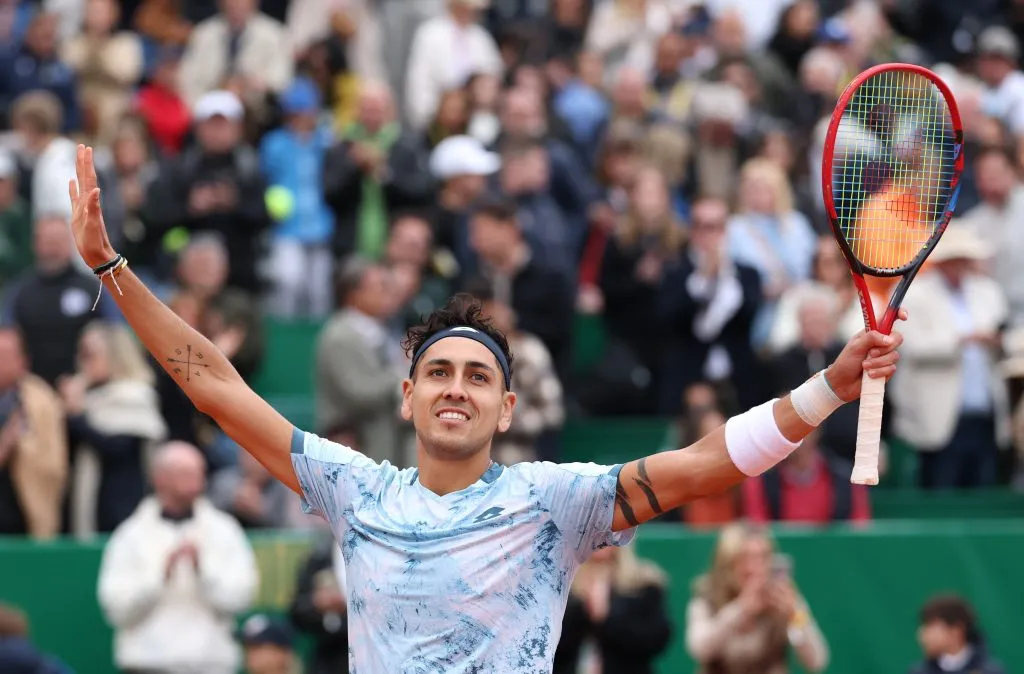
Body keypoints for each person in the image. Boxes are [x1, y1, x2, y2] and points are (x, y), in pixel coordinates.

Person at [69, 144, 904, 673]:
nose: (456, 388)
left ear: (507, 408)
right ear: (408, 395)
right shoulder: (356, 490)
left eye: (477, 377)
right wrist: (111, 267)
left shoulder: (553, 502)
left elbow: (708, 462)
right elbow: (214, 385)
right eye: (439, 373)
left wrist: (828, 385)